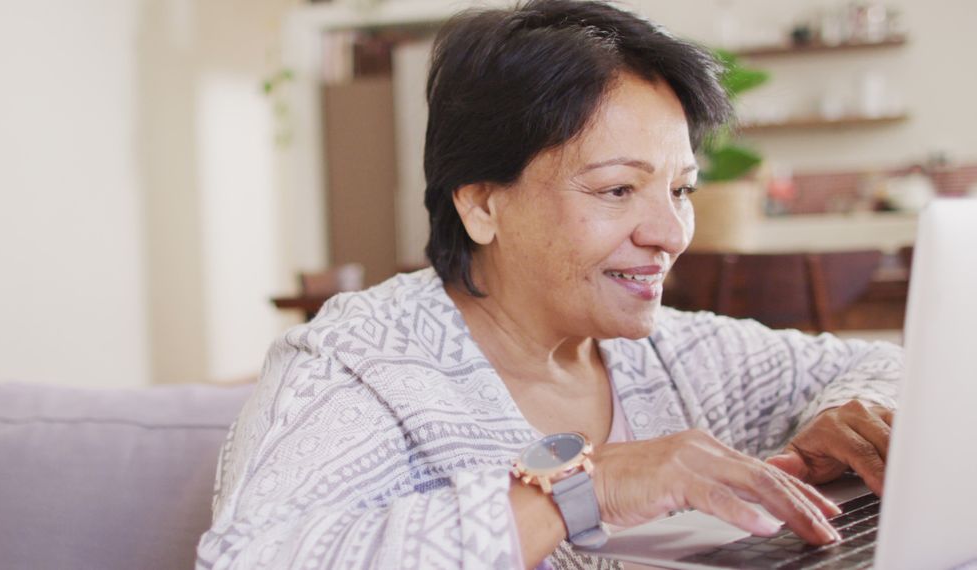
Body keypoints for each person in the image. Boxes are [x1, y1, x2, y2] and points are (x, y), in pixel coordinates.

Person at [197, 1, 900, 568]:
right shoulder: (360, 365)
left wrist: (853, 407)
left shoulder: (676, 357)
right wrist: (586, 488)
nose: (670, 231)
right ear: (480, 203)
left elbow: (881, 364)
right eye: (618, 189)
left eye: (680, 189)